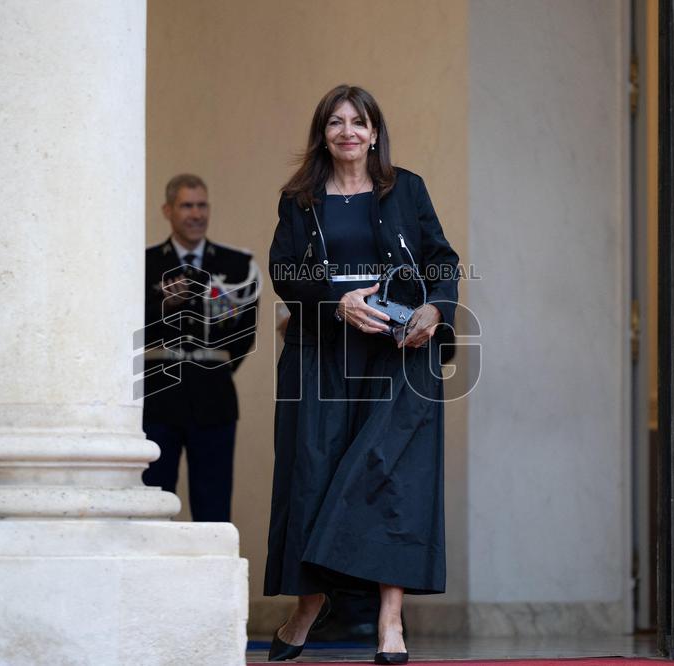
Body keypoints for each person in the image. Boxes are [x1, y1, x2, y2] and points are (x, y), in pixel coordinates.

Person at [265, 85, 459, 665]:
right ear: (322, 133)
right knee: (316, 477)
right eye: (335, 122)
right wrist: (335, 299)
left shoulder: (407, 189)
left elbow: (441, 259)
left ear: (375, 132)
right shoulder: (299, 200)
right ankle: (308, 607)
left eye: (359, 121)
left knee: (389, 479)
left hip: (396, 357)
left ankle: (390, 623)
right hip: (322, 356)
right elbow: (282, 272)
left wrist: (436, 308)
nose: (347, 131)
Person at [142, 174, 259, 522]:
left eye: (202, 205)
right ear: (167, 210)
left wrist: (211, 369)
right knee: (152, 503)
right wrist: (164, 304)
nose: (196, 214)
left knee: (213, 507)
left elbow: (244, 333)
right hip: (157, 397)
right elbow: (125, 326)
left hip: (213, 399)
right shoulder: (143, 263)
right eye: (187, 205)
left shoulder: (235, 265)